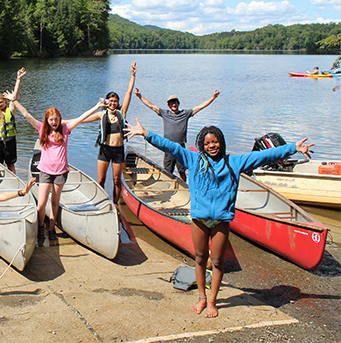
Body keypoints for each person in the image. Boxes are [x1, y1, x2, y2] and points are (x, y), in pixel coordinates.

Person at [125, 118, 313, 318]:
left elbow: (264, 156)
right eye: (207, 143)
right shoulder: (193, 159)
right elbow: (170, 146)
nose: (211, 146)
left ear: (221, 142)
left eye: (214, 142)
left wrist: (293, 147)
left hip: (221, 221)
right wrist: (146, 134)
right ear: (201, 146)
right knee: (199, 258)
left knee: (216, 261)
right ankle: (201, 297)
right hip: (199, 219)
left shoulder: (235, 162)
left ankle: (213, 301)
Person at [11, 93, 108, 240]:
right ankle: (40, 227)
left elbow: (81, 118)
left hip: (61, 172)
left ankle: (51, 229)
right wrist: (14, 101)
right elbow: (26, 114)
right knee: (41, 204)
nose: (54, 122)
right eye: (51, 120)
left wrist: (97, 106)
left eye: (56, 119)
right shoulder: (42, 128)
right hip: (45, 172)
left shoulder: (65, 129)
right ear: (47, 120)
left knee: (55, 201)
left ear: (59, 119)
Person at [133, 89, 221, 181]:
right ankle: (169, 189)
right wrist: (140, 96)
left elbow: (201, 106)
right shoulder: (165, 113)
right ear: (168, 105)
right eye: (171, 103)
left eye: (175, 103)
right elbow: (151, 105)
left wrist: (213, 97)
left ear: (178, 103)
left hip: (180, 147)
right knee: (167, 172)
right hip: (167, 147)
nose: (173, 105)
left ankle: (184, 188)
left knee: (182, 171)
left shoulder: (185, 114)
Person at [82, 61, 137, 205]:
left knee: (117, 180)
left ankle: (115, 204)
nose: (113, 103)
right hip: (104, 150)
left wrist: (132, 75)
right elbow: (81, 120)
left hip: (118, 150)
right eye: (111, 101)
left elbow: (129, 92)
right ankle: (102, 202)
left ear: (118, 102)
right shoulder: (102, 114)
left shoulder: (122, 112)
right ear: (107, 102)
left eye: (115, 101)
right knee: (101, 179)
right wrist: (62, 122)